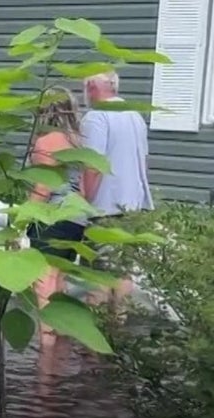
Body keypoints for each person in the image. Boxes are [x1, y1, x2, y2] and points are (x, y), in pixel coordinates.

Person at [79, 70, 154, 307]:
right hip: (134, 208)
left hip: (104, 209)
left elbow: (93, 165)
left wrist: (84, 204)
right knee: (123, 271)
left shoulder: (96, 117)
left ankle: (96, 325)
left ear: (92, 88)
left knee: (97, 273)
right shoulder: (134, 115)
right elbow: (144, 160)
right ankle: (119, 322)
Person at [27, 87, 86, 339]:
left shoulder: (46, 141)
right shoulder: (78, 142)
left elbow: (43, 187)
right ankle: (60, 340)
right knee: (59, 279)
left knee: (43, 280)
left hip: (53, 216)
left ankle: (46, 346)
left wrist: (23, 219)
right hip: (77, 217)